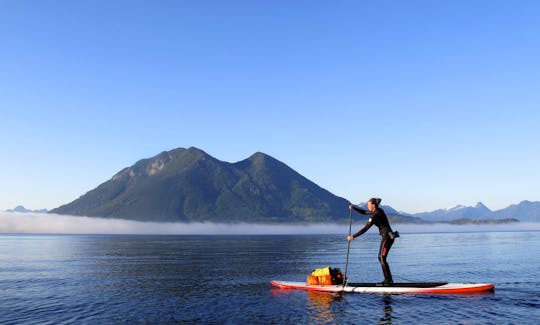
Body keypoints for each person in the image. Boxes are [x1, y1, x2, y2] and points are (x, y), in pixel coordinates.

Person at [347, 198, 398, 286]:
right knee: (381, 258)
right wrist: (354, 208)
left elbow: (365, 228)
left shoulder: (375, 215)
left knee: (381, 258)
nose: (367, 206)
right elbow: (364, 212)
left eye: (368, 205)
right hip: (388, 237)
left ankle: (387, 281)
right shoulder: (378, 210)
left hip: (387, 237)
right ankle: (389, 280)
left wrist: (353, 236)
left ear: (373, 205)